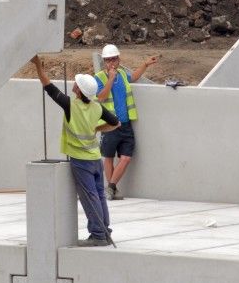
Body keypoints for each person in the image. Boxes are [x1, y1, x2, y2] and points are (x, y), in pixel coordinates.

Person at [31, 55, 121, 247]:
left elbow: (48, 86)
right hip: (95, 159)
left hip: (81, 161)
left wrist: (39, 65)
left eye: (76, 84)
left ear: (79, 91)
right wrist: (97, 129)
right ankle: (105, 231)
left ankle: (98, 235)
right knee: (99, 196)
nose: (74, 84)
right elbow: (116, 123)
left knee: (90, 198)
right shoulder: (97, 108)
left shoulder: (71, 106)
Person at [95, 44, 158, 201]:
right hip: (109, 126)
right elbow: (101, 97)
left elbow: (134, 77)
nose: (111, 63)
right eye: (108, 60)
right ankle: (112, 191)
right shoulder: (99, 78)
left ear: (118, 59)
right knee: (108, 157)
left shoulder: (122, 74)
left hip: (125, 124)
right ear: (104, 62)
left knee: (126, 158)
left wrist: (145, 64)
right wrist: (110, 78)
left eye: (114, 59)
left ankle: (110, 187)